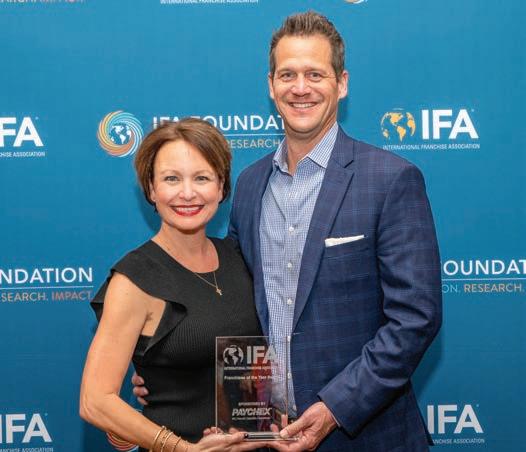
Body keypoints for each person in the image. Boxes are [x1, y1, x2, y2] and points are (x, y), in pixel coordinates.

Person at [136, 11, 442, 451]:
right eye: (288, 75)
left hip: (367, 436)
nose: (300, 88)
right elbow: (232, 306)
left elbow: (415, 319)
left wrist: (335, 408)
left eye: (315, 74)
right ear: (271, 85)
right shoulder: (249, 185)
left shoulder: (390, 180)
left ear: (342, 83)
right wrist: (172, 373)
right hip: (267, 437)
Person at [80, 118, 265, 452]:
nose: (187, 193)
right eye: (171, 179)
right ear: (151, 189)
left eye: (202, 178)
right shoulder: (135, 279)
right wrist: (184, 449)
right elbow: (95, 401)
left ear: (222, 187)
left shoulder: (238, 256)